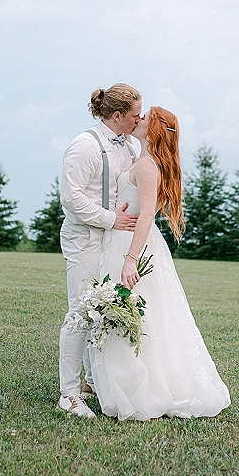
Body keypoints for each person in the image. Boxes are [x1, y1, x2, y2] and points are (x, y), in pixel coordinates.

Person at [90, 106, 231, 420]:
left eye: (144, 118)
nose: (137, 120)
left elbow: (147, 216)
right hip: (129, 241)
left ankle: (146, 388)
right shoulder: (143, 161)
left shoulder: (146, 165)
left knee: (141, 313)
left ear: (153, 130)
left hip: (134, 245)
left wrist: (130, 260)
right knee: (145, 314)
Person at [58, 83, 142, 418]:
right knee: (80, 311)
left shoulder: (130, 146)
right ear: (118, 115)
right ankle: (69, 393)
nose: (140, 119)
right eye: (135, 115)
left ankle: (93, 381)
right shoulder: (85, 146)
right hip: (84, 238)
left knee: (102, 309)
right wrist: (111, 219)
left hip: (113, 240)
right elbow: (71, 197)